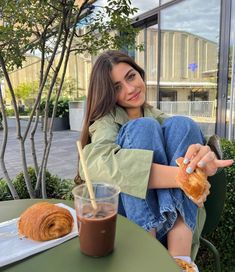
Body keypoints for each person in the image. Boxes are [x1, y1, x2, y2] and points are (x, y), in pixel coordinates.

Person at [77, 50, 233, 271]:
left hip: (174, 234)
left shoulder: (158, 116)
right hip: (135, 229)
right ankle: (146, 260)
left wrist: (207, 158)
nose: (130, 89)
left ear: (140, 74)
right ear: (107, 94)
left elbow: (204, 145)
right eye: (116, 87)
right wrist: (184, 178)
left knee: (184, 125)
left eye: (131, 77)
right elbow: (93, 164)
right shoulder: (106, 122)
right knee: (142, 127)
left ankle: (181, 261)